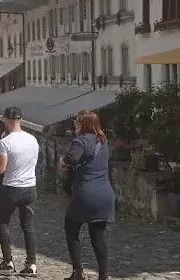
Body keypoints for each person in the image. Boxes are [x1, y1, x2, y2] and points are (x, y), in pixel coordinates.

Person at [62, 111, 115, 280]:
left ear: (83, 124)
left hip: (86, 193)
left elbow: (71, 159)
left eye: (77, 121)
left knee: (71, 229)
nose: (74, 124)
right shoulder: (103, 141)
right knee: (98, 236)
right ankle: (103, 275)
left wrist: (62, 163)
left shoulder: (80, 140)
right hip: (104, 193)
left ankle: (78, 272)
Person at [0, 106, 39, 276]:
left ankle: (8, 261)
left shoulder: (5, 142)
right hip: (30, 187)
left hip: (12, 188)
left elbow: (0, 168)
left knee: (3, 221)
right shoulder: (33, 140)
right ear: (21, 119)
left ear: (7, 120)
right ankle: (31, 263)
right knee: (28, 225)